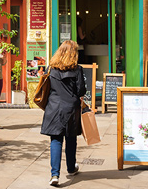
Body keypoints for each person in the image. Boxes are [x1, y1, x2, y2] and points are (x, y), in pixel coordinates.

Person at [40, 40, 86, 186]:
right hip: (71, 108)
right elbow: (80, 91)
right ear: (74, 53)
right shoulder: (77, 69)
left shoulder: (51, 68)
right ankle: (71, 168)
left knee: (56, 139)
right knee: (71, 138)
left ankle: (54, 175)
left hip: (53, 107)